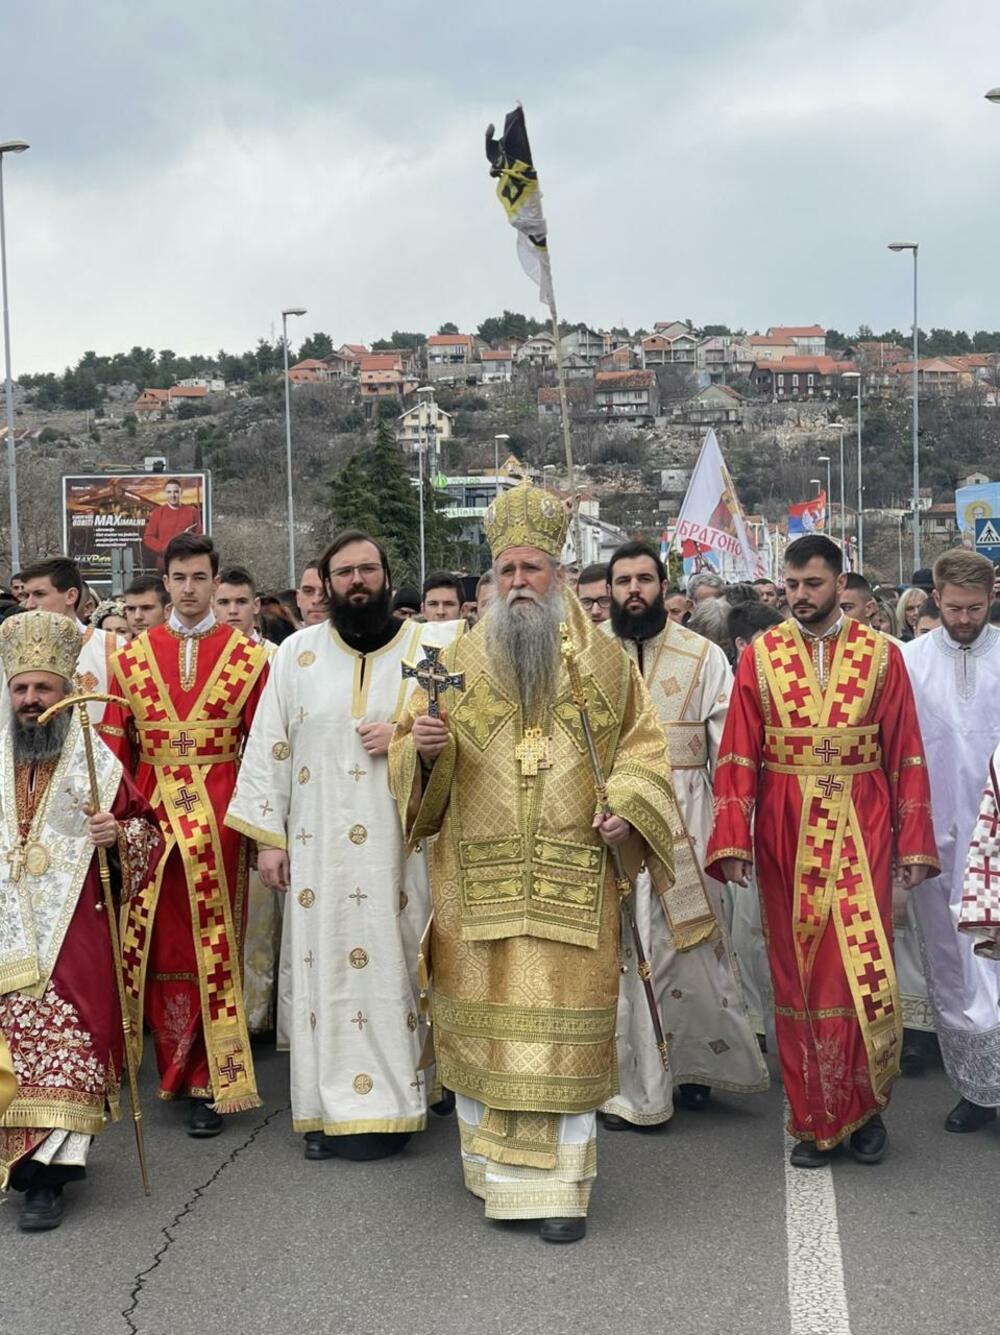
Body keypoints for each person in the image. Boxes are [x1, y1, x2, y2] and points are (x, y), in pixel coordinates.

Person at [389, 480, 676, 1243]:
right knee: (488, 1033)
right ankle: (494, 1175)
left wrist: (627, 807)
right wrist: (423, 753)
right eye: (507, 569)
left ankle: (561, 1192)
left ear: (558, 572)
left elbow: (644, 750)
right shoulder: (453, 660)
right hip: (476, 886)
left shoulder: (604, 664)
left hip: (571, 879)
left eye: (532, 568)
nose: (518, 581)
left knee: (558, 1036)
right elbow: (410, 751)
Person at [227, 530, 464, 1163]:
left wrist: (409, 739)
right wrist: (270, 841)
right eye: (344, 573)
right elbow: (269, 747)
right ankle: (329, 1107)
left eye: (367, 569)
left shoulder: (432, 650)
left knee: (400, 963)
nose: (357, 581)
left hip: (402, 847)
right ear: (327, 585)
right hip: (319, 849)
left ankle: (406, 1094)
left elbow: (469, 737)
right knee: (325, 969)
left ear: (387, 577)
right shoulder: (296, 654)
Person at [707, 534, 938, 1167]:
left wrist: (913, 842)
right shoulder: (762, 655)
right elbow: (738, 752)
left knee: (864, 967)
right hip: (785, 830)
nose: (800, 595)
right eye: (791, 584)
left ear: (840, 583)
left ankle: (867, 1110)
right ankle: (813, 1117)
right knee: (798, 974)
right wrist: (732, 837)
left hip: (862, 824)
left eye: (812, 584)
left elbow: (906, 751)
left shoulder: (881, 654)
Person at [97, 534, 270, 1137]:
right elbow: (114, 751)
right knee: (156, 945)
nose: (189, 589)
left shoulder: (249, 658)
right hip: (149, 819)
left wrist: (264, 828)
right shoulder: (131, 658)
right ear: (165, 581)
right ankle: (160, 1063)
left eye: (200, 577)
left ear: (215, 582)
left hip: (221, 824)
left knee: (212, 947)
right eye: (179, 578)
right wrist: (112, 822)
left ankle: (209, 1078)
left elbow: (263, 751)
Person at [0, 610, 162, 1231]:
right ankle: (18, 1167)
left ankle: (47, 1180)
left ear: (67, 691)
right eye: (21, 688)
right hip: (7, 935)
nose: (31, 700)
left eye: (43, 688)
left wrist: (117, 836)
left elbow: (148, 833)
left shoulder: (97, 762)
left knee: (72, 1046)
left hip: (75, 936)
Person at [600, 542, 767, 1131]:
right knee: (625, 952)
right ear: (611, 589)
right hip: (611, 822)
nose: (634, 590)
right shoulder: (590, 654)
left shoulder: (703, 655)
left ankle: (694, 1068)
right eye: (623, 580)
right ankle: (631, 1085)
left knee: (688, 949)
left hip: (687, 816)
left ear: (661, 585)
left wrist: (732, 828)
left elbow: (729, 748)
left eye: (644, 579)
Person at [903, 550, 1000, 1130]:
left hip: (997, 838)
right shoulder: (908, 661)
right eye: (956, 608)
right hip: (934, 838)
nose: (965, 619)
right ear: (936, 599)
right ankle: (975, 1088)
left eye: (976, 608)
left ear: (992, 599)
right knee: (952, 962)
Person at [20, 558, 122, 720]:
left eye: (39, 594)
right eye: (26, 595)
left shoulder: (111, 646)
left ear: (71, 596)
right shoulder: (15, 649)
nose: (29, 604)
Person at [141, 479, 202, 569]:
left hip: (187, 561)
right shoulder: (157, 513)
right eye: (169, 492)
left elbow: (200, 536)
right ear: (165, 493)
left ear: (181, 492)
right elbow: (148, 537)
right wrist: (165, 548)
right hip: (164, 562)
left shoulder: (193, 512)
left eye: (176, 492)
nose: (172, 495)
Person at [123, 575, 169, 640]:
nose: (137, 617)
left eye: (146, 608)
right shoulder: (118, 645)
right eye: (131, 609)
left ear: (167, 610)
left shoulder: (182, 645)